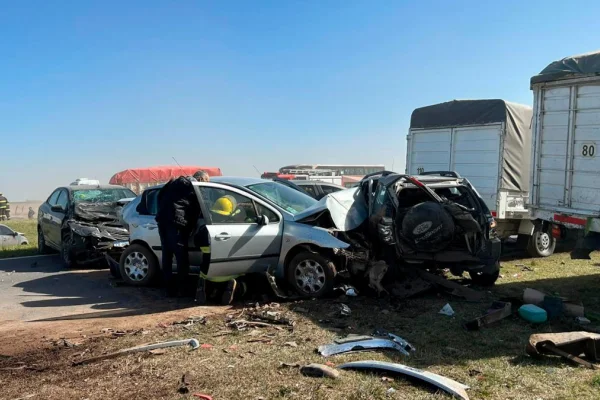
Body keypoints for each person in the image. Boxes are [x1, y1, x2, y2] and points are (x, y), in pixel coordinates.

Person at [155, 176, 201, 298]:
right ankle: (184, 290)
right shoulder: (192, 188)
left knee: (167, 256)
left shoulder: (171, 183)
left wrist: (161, 214)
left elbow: (159, 196)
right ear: (200, 179)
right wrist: (189, 227)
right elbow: (195, 210)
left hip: (162, 222)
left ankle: (169, 290)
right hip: (177, 224)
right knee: (181, 258)